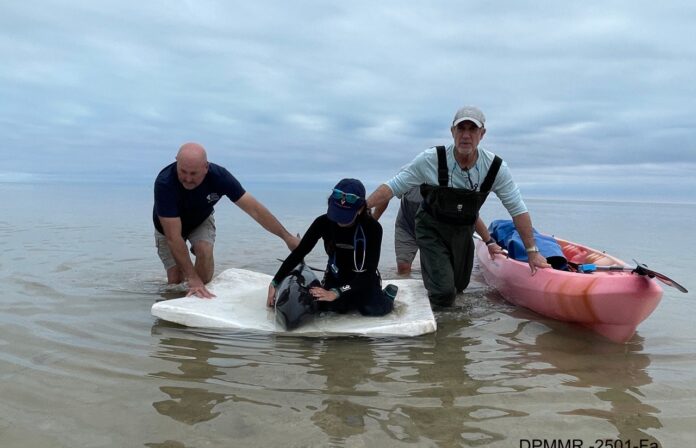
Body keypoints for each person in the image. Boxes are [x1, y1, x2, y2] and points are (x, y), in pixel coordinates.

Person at [366, 106, 549, 307]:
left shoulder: (495, 168)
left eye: (472, 129)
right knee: (444, 291)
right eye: (461, 129)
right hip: (430, 228)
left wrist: (532, 251)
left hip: (462, 231)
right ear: (452, 131)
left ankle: (450, 318)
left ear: (482, 134)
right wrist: (363, 206)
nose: (466, 136)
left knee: (459, 286)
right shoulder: (430, 159)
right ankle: (442, 332)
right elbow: (391, 188)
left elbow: (518, 210)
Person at [153, 143, 300, 298]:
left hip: (200, 220)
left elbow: (255, 210)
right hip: (168, 229)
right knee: (175, 281)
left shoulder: (219, 177)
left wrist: (287, 237)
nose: (188, 179)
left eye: (194, 173)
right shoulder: (165, 183)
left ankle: (200, 298)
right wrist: (192, 278)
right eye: (183, 171)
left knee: (204, 251)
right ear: (176, 162)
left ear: (206, 167)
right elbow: (174, 237)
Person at [266, 179, 397, 316]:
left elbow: (368, 273)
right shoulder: (322, 222)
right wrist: (275, 282)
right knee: (329, 308)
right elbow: (299, 253)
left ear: (360, 209)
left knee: (371, 310)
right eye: (336, 213)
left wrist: (337, 292)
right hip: (336, 275)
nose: (339, 220)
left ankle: (388, 295)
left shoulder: (372, 228)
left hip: (362, 278)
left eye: (345, 216)